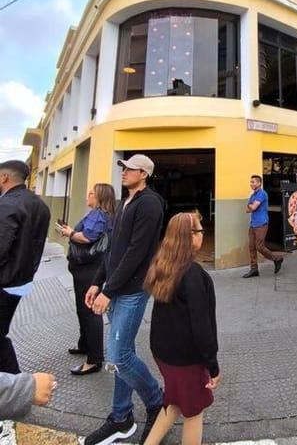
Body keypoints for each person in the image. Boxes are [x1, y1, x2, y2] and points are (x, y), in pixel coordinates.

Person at [82, 154, 164, 445]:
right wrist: (97, 283)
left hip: (130, 291)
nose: (124, 172)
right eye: (123, 168)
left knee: (118, 356)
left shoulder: (150, 203)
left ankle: (158, 402)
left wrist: (109, 290)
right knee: (121, 357)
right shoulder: (123, 203)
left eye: (129, 169)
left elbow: (137, 251)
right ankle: (121, 417)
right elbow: (113, 249)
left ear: (144, 173)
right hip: (115, 289)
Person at [143, 212, 220, 445]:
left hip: (163, 354)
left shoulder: (162, 265)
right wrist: (213, 365)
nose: (202, 235)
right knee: (194, 412)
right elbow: (202, 325)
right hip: (186, 359)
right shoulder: (194, 275)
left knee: (174, 402)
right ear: (190, 237)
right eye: (200, 231)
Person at [58, 183, 116, 375]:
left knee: (89, 310)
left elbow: (87, 237)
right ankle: (85, 344)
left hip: (89, 269)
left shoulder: (99, 216)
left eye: (91, 193)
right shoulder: (100, 215)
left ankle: (94, 359)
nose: (88, 195)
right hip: (87, 268)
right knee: (83, 308)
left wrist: (70, 233)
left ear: (100, 198)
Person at [0, 160, 50, 374]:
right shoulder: (40, 205)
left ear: (4, 177)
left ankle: (17, 385)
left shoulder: (7, 204)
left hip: (4, 281)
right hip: (22, 280)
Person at [242, 175, 285, 278]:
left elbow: (254, 207)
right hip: (253, 224)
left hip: (261, 224)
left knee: (259, 246)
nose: (251, 184)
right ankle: (254, 269)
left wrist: (251, 206)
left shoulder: (262, 193)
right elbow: (248, 210)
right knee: (251, 247)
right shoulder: (253, 195)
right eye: (250, 182)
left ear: (259, 183)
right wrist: (251, 207)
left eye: (253, 182)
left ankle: (277, 258)